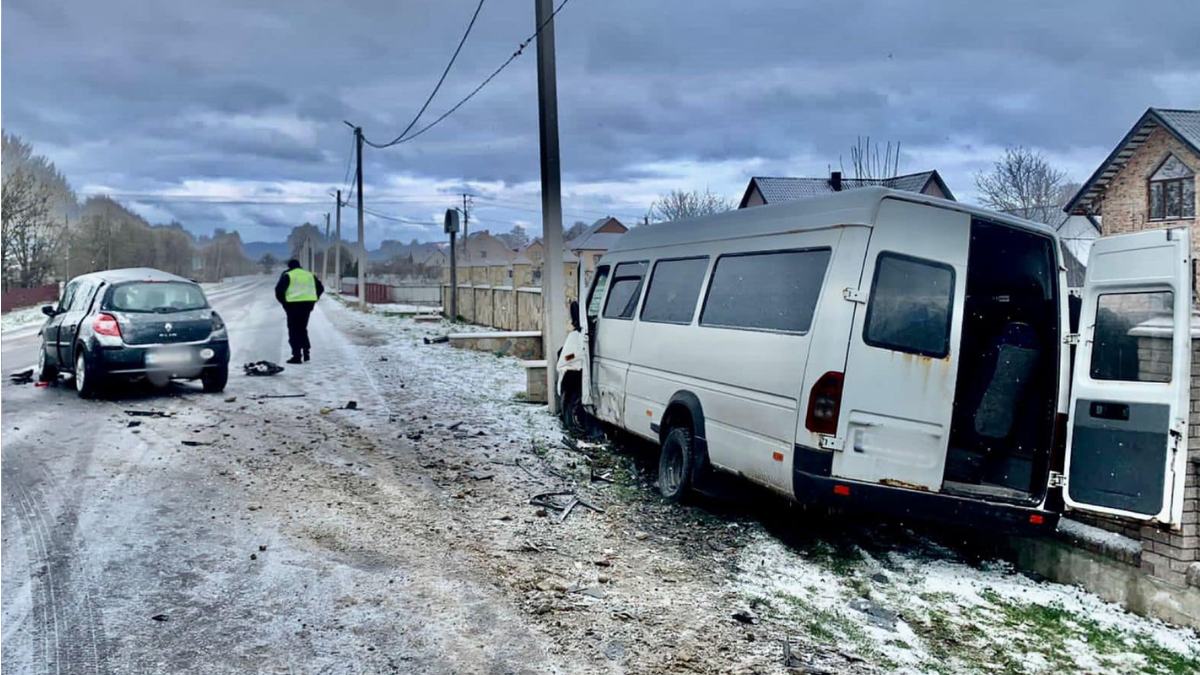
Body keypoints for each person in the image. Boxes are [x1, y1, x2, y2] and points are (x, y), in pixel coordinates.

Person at [275, 259, 324, 364]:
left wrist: (285, 304)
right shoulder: (309, 275)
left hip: (293, 306)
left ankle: (297, 356)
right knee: (302, 328)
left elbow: (279, 291)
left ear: (289, 266)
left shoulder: (287, 275)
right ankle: (306, 352)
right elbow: (320, 288)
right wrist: (314, 299)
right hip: (307, 306)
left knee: (293, 330)